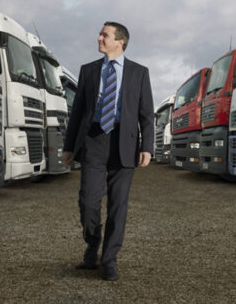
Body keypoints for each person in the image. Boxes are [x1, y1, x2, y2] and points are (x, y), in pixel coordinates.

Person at [62, 21, 154, 281]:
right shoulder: (88, 71)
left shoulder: (139, 72)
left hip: (124, 142)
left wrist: (147, 146)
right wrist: (69, 147)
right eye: (101, 34)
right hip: (93, 140)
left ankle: (109, 259)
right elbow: (78, 110)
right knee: (88, 201)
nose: (99, 37)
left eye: (104, 35)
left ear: (120, 41)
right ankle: (93, 241)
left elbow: (146, 113)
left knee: (117, 207)